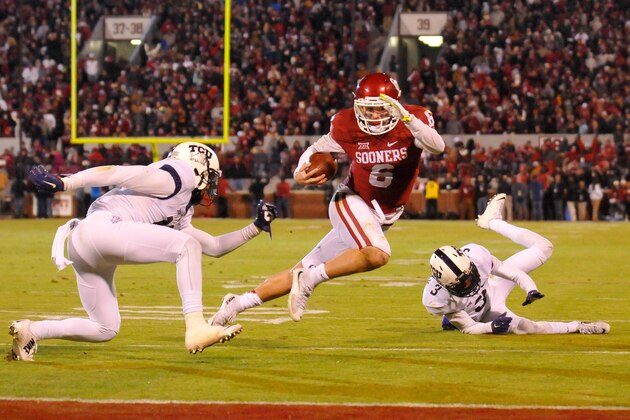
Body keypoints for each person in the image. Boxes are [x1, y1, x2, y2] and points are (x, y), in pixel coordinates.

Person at [208, 72, 445, 326]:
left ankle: (236, 305)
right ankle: (311, 279)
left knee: (299, 269)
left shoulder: (415, 119)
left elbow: (437, 146)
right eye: (367, 109)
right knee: (377, 254)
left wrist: (407, 118)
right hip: (352, 201)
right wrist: (299, 171)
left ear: (394, 106)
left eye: (379, 109)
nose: (372, 116)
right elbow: (316, 149)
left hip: (382, 214)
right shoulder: (348, 124)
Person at [9, 142, 278, 362]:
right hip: (103, 229)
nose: (212, 186)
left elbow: (214, 247)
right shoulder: (179, 174)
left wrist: (255, 228)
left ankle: (32, 331)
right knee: (186, 247)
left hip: (84, 242)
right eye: (211, 177)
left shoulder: (181, 205)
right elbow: (117, 173)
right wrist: (68, 183)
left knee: (105, 328)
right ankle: (195, 327)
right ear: (199, 169)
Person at [423, 193, 610, 335]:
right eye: (460, 284)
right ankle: (578, 326)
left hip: (492, 287)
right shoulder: (435, 298)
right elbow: (470, 327)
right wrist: (491, 327)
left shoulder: (476, 256)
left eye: (468, 276)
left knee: (544, 247)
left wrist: (531, 289)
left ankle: (493, 222)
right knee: (530, 328)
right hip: (483, 315)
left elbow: (513, 273)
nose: (468, 284)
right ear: (444, 284)